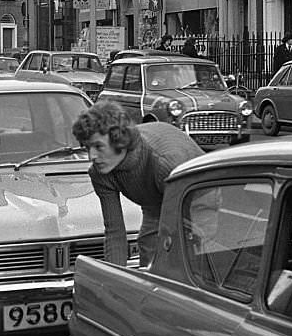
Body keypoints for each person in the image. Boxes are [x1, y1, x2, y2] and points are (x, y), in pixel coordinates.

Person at [72, 101, 204, 267]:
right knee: (149, 249)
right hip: (154, 199)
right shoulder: (100, 173)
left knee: (190, 257)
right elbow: (115, 233)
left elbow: (181, 228)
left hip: (200, 194)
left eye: (98, 147)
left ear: (119, 141)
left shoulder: (163, 163)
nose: (92, 156)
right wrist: (113, 282)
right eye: (87, 147)